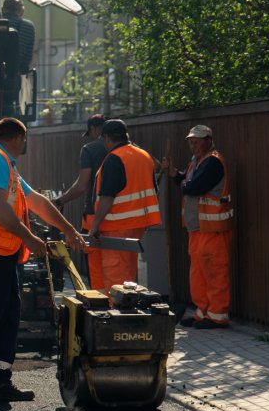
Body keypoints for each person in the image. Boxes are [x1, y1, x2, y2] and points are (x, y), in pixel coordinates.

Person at [0, 117, 85, 403]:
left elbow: (35, 200)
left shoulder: (6, 165)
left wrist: (68, 229)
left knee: (9, 310)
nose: (25, 146)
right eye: (24, 141)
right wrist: (30, 239)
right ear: (17, 138)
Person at [161, 124, 234, 328]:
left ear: (208, 141)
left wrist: (184, 183)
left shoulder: (213, 162)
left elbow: (193, 187)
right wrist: (175, 173)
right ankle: (203, 312)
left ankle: (217, 315)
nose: (193, 145)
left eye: (197, 141)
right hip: (199, 228)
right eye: (191, 142)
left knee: (214, 271)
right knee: (199, 272)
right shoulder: (197, 162)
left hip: (213, 229)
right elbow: (186, 180)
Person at [88, 119, 161, 290]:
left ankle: (116, 312)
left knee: (115, 274)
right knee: (127, 271)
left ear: (106, 138)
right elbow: (153, 188)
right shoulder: (144, 155)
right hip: (138, 224)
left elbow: (107, 197)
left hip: (117, 225)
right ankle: (126, 310)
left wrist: (95, 225)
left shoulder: (114, 158)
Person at [54, 113, 108, 289]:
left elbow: (82, 185)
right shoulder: (130, 149)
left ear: (93, 129)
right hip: (123, 217)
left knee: (95, 265)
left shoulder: (90, 149)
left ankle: (100, 304)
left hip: (94, 214)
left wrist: (60, 200)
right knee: (118, 263)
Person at [2, 0, 36, 76]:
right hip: (14, 78)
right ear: (22, 11)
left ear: (2, 10)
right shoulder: (29, 27)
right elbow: (27, 60)